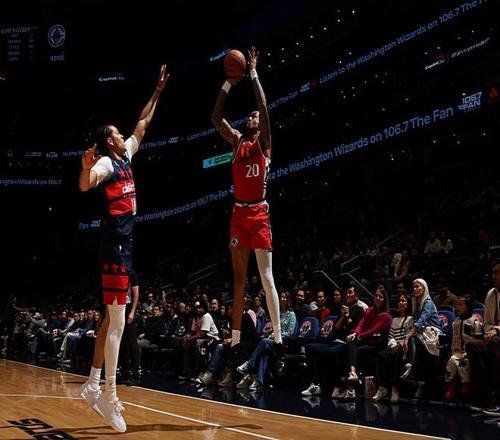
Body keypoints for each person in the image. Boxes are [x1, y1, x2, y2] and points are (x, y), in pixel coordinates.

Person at [78, 65, 168, 433]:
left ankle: (92, 384)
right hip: (114, 247)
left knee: (109, 321)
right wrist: (85, 168)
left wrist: (157, 91)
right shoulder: (104, 163)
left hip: (124, 246)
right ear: (108, 142)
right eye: (116, 133)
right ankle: (109, 396)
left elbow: (143, 123)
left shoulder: (126, 154)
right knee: (116, 325)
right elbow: (85, 185)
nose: (122, 135)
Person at [210, 47, 282, 359]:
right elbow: (215, 118)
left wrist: (252, 74)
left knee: (266, 277)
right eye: (250, 115)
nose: (253, 116)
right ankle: (237, 338)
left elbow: (264, 106)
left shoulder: (265, 143)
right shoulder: (238, 140)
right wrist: (228, 83)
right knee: (238, 279)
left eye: (255, 116)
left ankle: (278, 337)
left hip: (259, 213)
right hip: (239, 213)